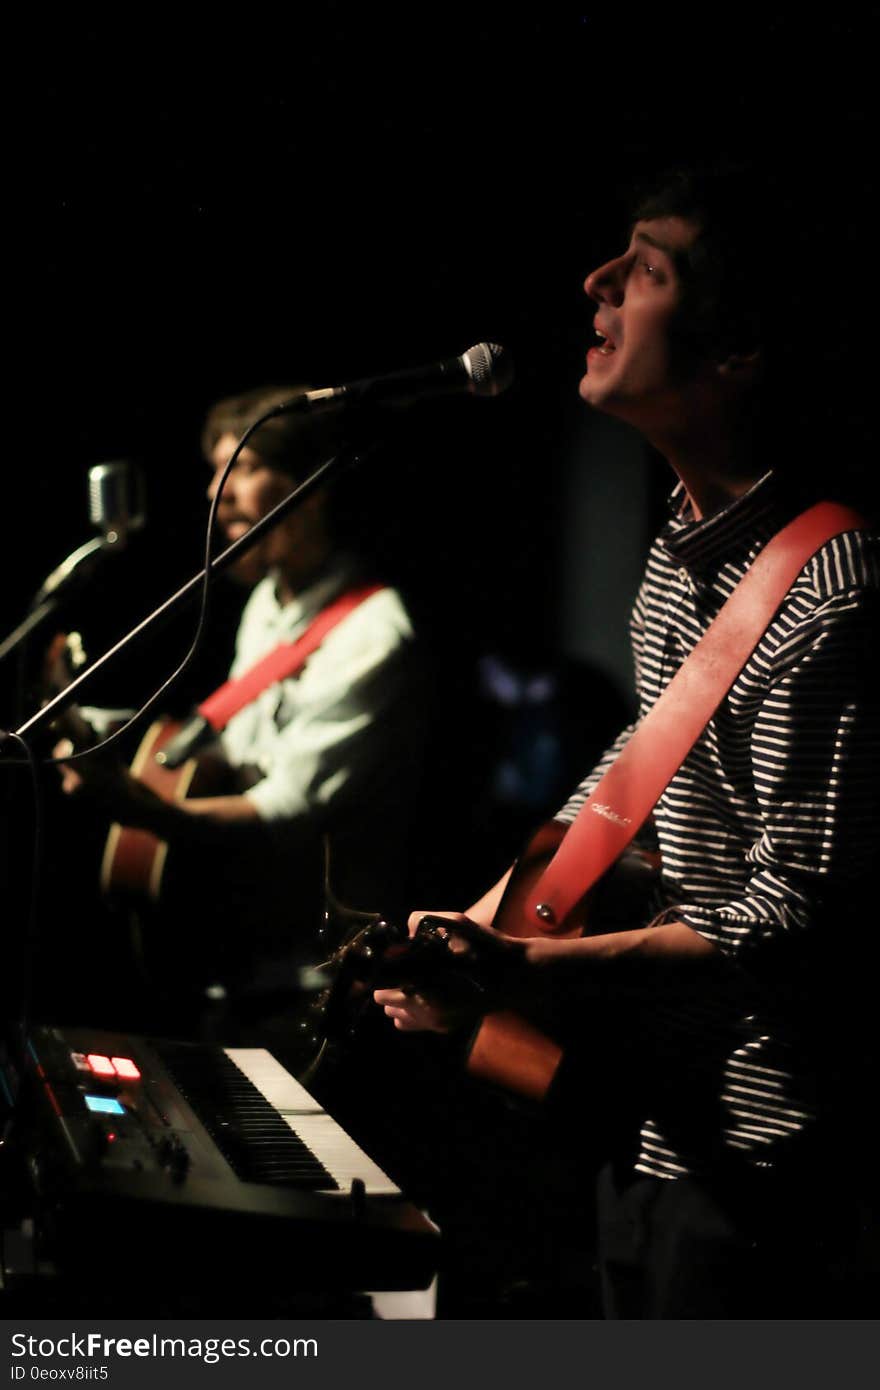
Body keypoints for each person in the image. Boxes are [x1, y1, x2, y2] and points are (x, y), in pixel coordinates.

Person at [373, 167, 879, 1318]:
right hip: (655, 1127)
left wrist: (537, 967)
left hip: (764, 1163)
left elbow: (793, 912)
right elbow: (643, 762)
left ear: (736, 347)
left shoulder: (836, 586)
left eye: (645, 269)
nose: (594, 281)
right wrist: (494, 912)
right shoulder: (681, 544)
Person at [57, 385, 426, 1027]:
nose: (215, 493)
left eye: (246, 469)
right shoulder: (268, 606)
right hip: (237, 955)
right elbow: (230, 740)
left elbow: (286, 812)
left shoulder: (374, 631)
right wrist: (84, 722)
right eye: (217, 471)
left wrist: (141, 809)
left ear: (316, 486)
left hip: (321, 983)